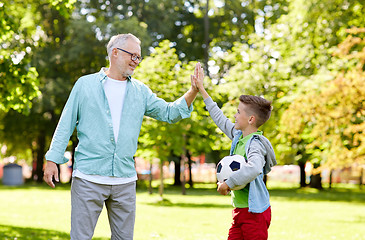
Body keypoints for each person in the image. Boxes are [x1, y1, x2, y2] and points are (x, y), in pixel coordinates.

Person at [43, 33, 199, 240]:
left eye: (139, 57)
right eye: (132, 56)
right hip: (89, 178)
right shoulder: (85, 85)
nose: (136, 61)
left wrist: (193, 91)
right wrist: (53, 159)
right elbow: (66, 123)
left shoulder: (140, 91)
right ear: (114, 53)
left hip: (124, 181)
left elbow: (169, 112)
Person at [191, 63, 277, 240]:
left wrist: (229, 183)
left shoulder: (255, 145)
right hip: (240, 212)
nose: (235, 115)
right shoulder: (238, 136)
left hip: (255, 214)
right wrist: (202, 90)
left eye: (238, 112)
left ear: (251, 119)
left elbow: (254, 168)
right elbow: (220, 118)